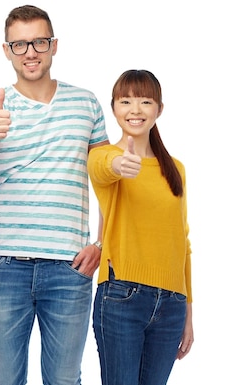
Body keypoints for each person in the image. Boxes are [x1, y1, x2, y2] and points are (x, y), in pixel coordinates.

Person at [0, 4, 109, 385]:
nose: (30, 52)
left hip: (69, 266)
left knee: (64, 380)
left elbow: (107, 183)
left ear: (54, 45)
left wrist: (102, 242)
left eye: (39, 42)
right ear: (6, 50)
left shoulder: (86, 103)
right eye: (20, 44)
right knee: (5, 380)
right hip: (6, 267)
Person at [87, 70, 193, 385]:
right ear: (114, 107)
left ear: (159, 109)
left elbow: (183, 243)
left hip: (172, 304)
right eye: (126, 101)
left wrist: (188, 312)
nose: (136, 109)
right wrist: (119, 164)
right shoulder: (104, 155)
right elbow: (103, 169)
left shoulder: (176, 170)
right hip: (122, 297)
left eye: (146, 101)